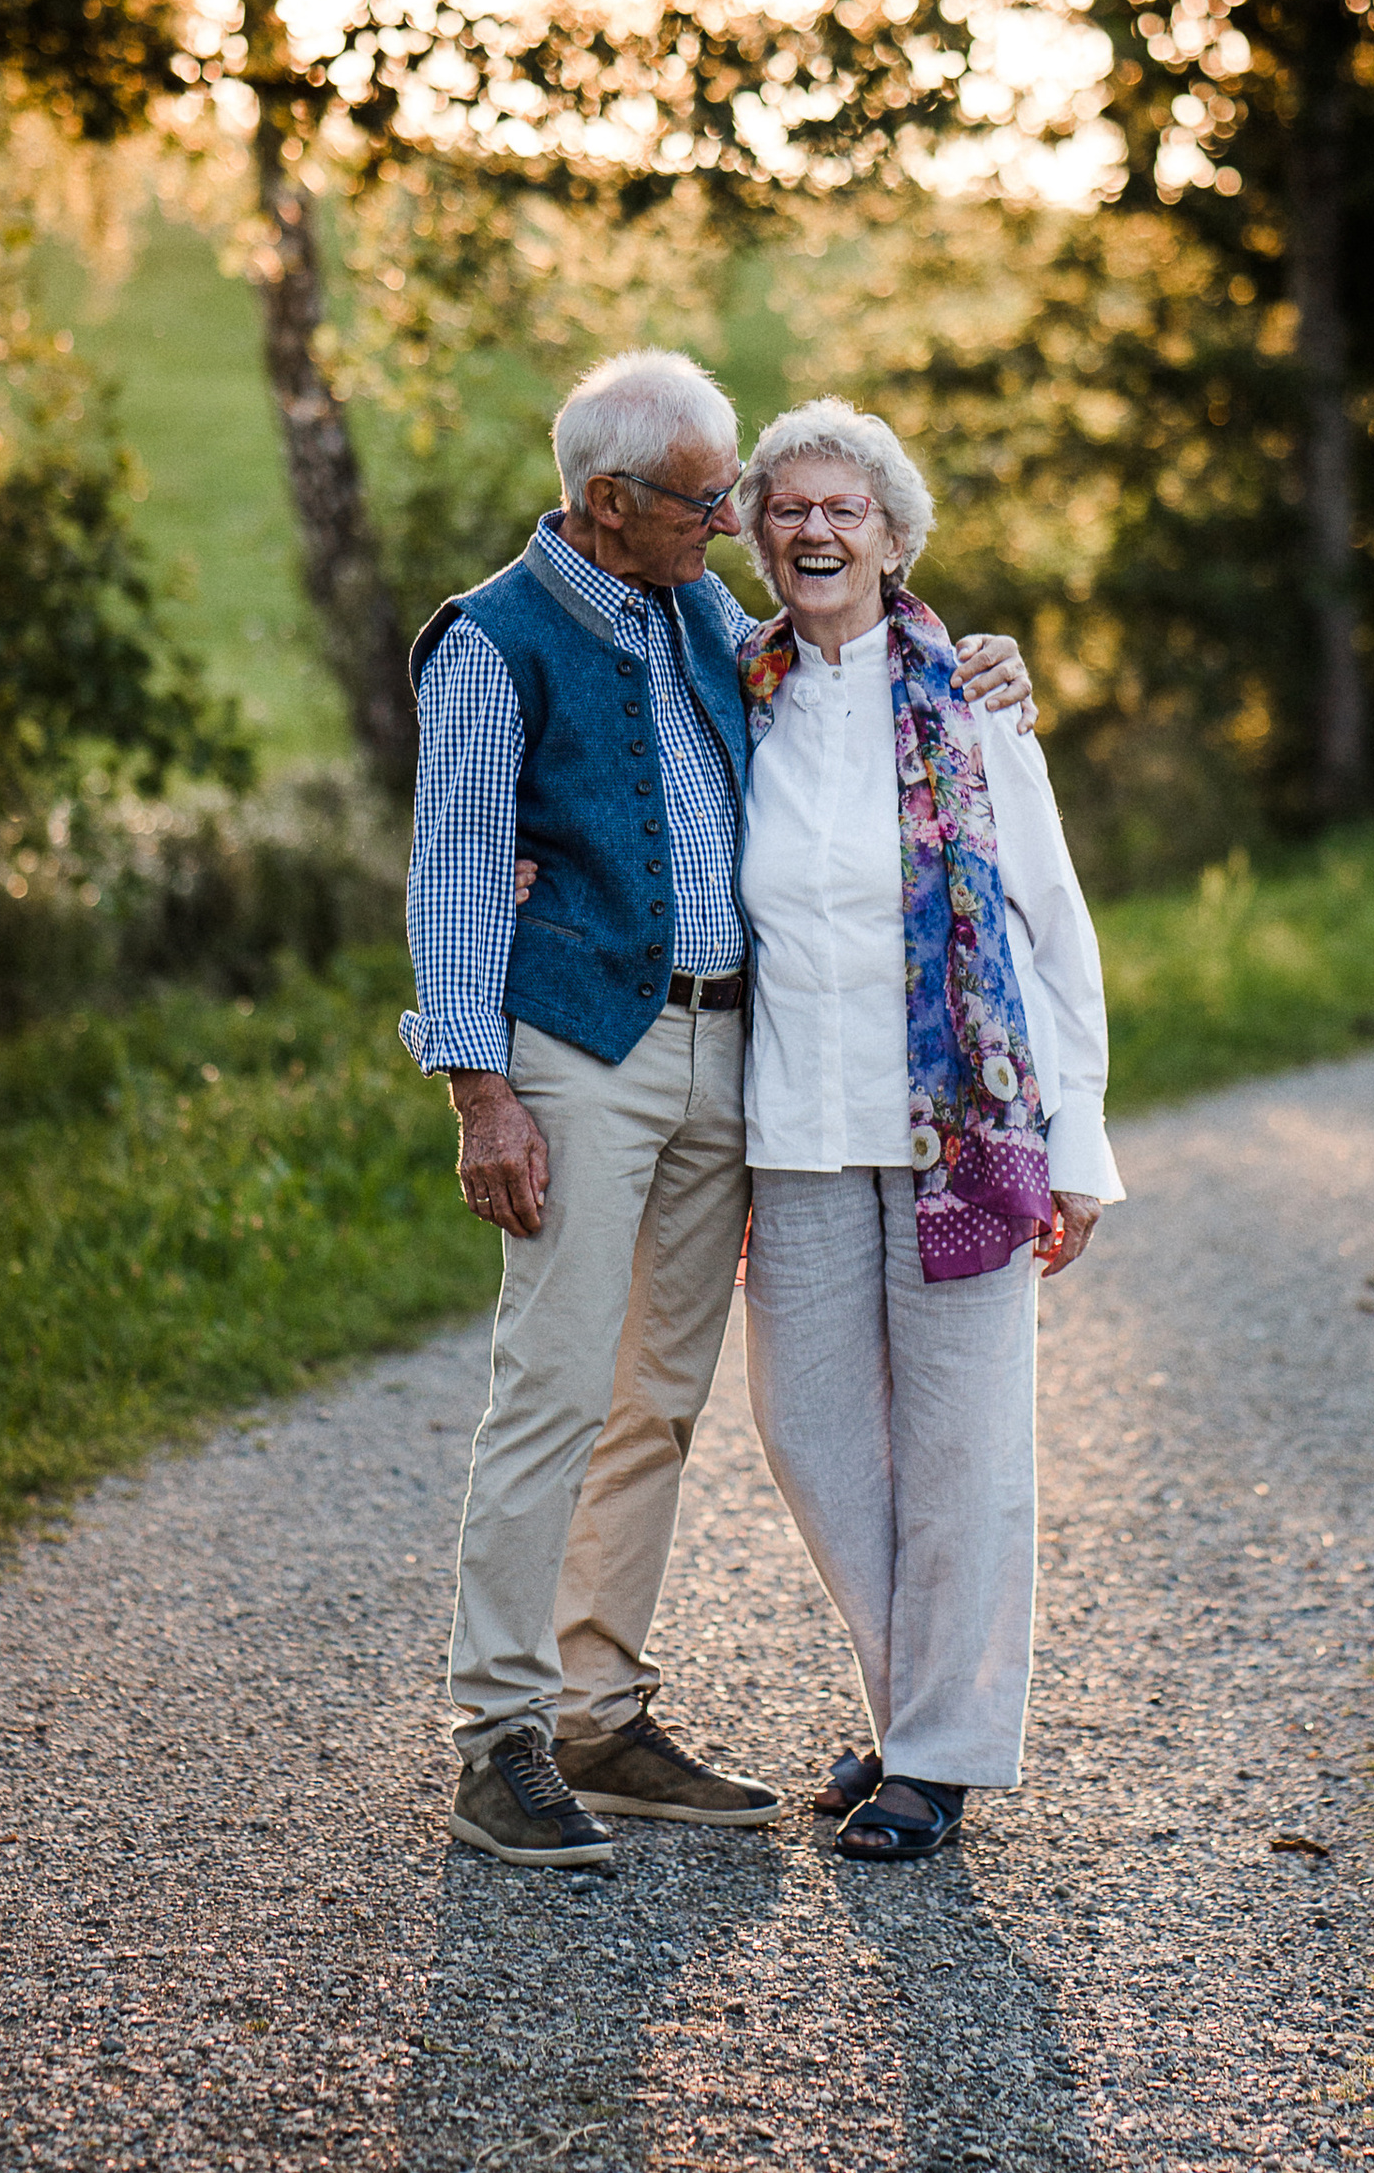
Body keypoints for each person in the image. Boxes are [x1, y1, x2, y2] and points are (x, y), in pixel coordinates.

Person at [401, 348, 1036, 1870]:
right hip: (581, 1050)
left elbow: (853, 665)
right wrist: (480, 1090)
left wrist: (980, 661)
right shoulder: (490, 642)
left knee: (657, 1397)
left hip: (727, 1051)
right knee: (555, 1382)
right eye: (709, 501)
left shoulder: (700, 615)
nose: (733, 524)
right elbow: (454, 871)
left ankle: (597, 1713)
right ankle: (500, 1735)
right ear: (608, 500)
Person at [732, 399, 1122, 1865]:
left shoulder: (974, 699)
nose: (816, 531)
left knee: (962, 1449)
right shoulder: (737, 693)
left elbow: (1051, 922)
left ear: (894, 537)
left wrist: (1078, 1141)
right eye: (788, 509)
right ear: (759, 538)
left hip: (964, 1133)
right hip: (796, 1127)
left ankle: (936, 1758)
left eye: (844, 508)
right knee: (812, 1434)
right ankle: (916, 1717)